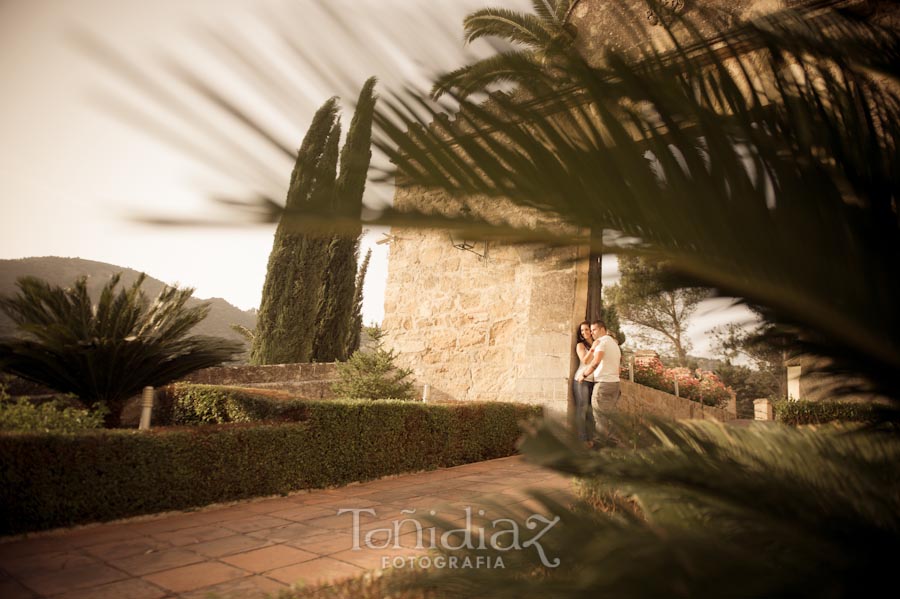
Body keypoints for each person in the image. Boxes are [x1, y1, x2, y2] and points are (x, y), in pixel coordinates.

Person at [582, 320, 621, 443]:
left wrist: (584, 374)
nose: (592, 333)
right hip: (615, 384)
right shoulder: (614, 344)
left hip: (603, 384)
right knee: (611, 416)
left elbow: (596, 361)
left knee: (599, 416)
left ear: (602, 329)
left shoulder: (602, 343)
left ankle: (600, 445)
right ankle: (613, 443)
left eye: (594, 330)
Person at [572, 321, 597, 443]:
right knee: (582, 410)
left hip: (594, 381)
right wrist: (594, 348)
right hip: (581, 380)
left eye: (586, 329)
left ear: (591, 331)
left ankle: (591, 440)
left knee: (591, 412)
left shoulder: (599, 345)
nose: (584, 332)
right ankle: (582, 440)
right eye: (582, 331)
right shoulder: (580, 345)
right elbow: (585, 361)